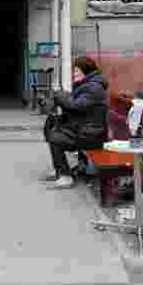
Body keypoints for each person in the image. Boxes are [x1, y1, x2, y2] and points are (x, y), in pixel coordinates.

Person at [42, 56, 108, 189]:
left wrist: (58, 94)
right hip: (85, 129)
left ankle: (66, 176)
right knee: (51, 127)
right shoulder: (88, 85)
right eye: (74, 71)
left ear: (86, 71)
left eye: (77, 71)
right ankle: (60, 169)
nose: (74, 74)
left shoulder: (94, 88)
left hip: (91, 135)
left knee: (55, 138)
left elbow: (74, 105)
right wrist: (61, 95)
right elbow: (75, 102)